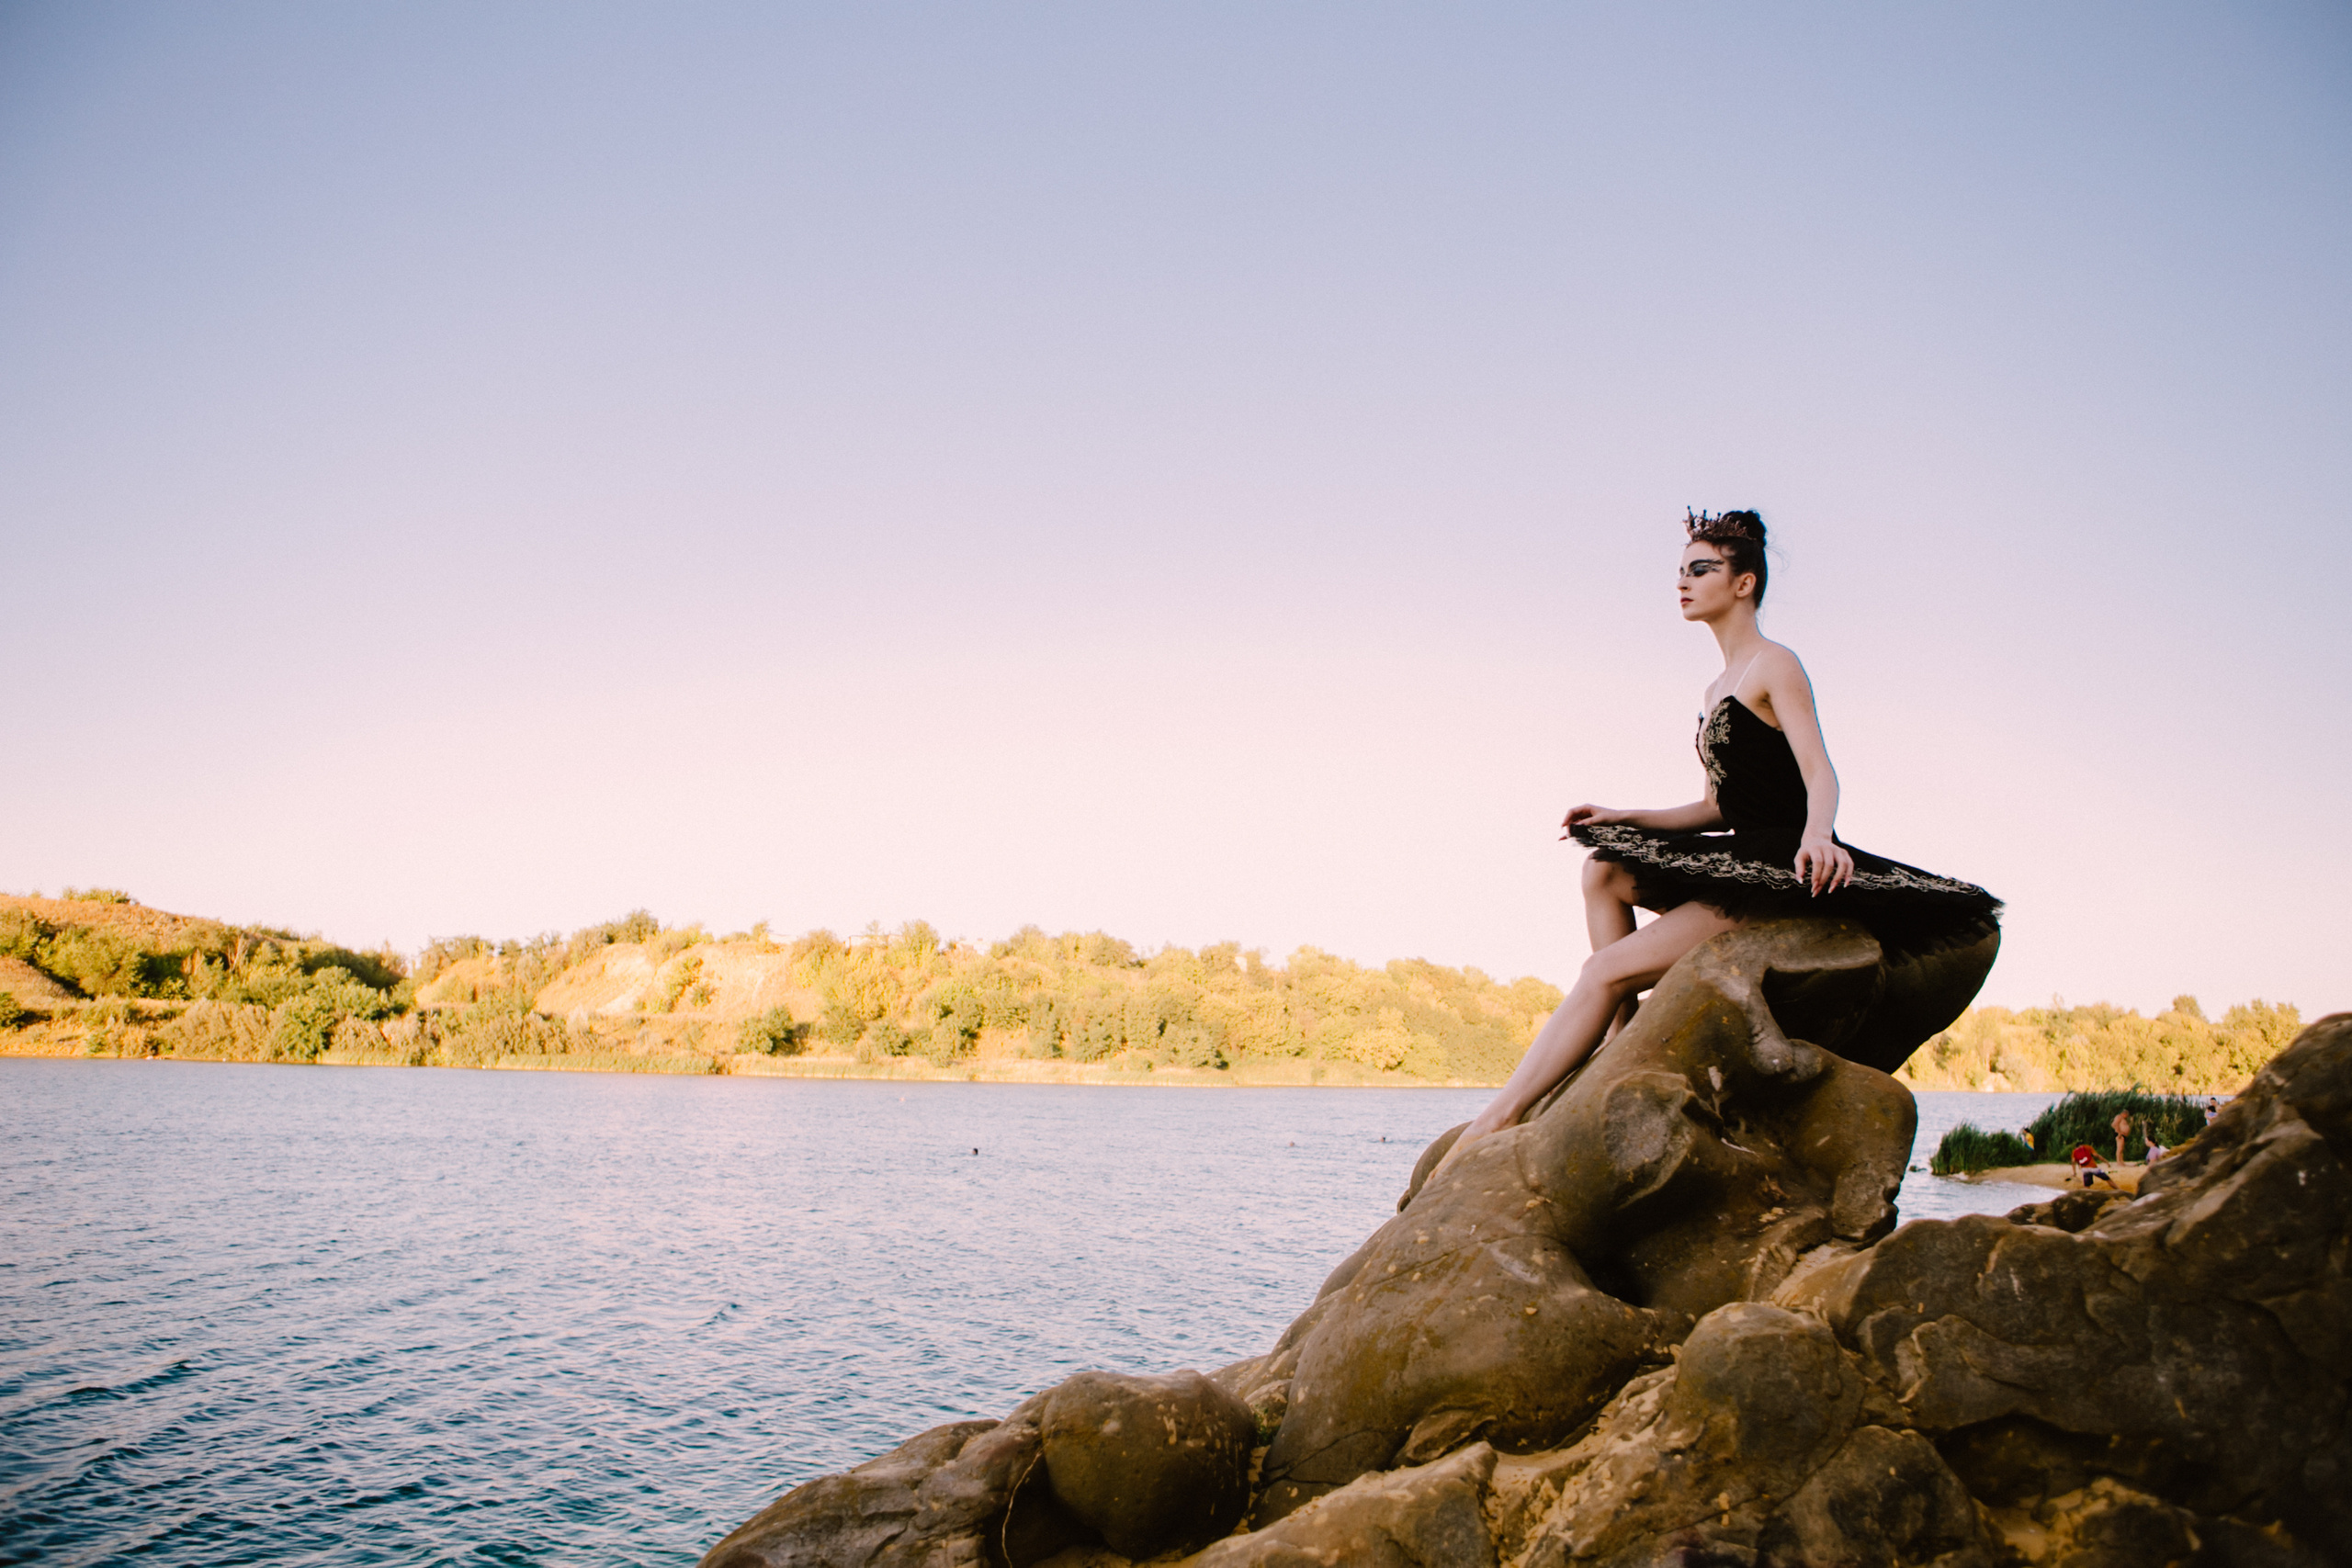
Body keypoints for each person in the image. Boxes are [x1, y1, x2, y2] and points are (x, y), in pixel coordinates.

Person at [1442, 509, 2003, 1165]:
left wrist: (1819, 837)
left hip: (1778, 864)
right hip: (1738, 847)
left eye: (1701, 569)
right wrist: (1623, 817)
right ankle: (1622, 1031)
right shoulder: (1715, 689)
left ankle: (1498, 1116)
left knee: (1603, 969)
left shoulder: (1775, 664)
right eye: (1680, 571)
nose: (1684, 582)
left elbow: (1820, 769)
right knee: (1601, 867)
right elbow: (1714, 805)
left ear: (1744, 583)